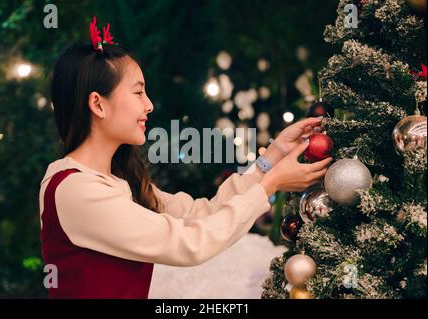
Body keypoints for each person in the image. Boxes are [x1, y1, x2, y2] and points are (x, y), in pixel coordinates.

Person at [39, 17, 332, 298]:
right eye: (138, 92)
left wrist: (274, 157)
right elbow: (189, 243)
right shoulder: (76, 190)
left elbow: (201, 214)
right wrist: (269, 187)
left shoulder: (115, 180)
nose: (149, 105)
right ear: (98, 104)